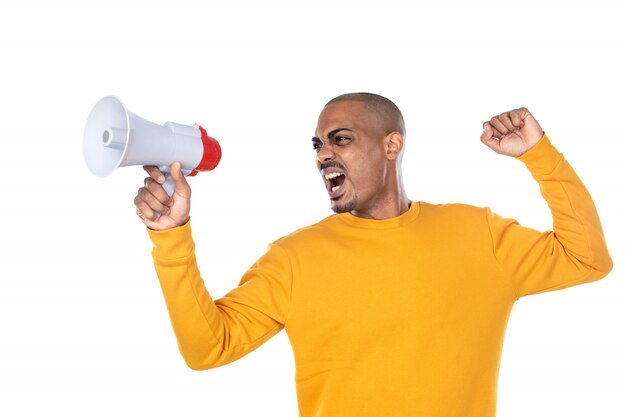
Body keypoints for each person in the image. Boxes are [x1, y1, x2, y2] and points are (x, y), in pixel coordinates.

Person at [134, 93, 613, 417]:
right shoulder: (294, 258)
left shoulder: (477, 234)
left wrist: (539, 154)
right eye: (318, 144)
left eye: (341, 139)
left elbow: (588, 258)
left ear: (392, 145)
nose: (323, 154)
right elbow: (207, 348)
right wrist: (171, 235)